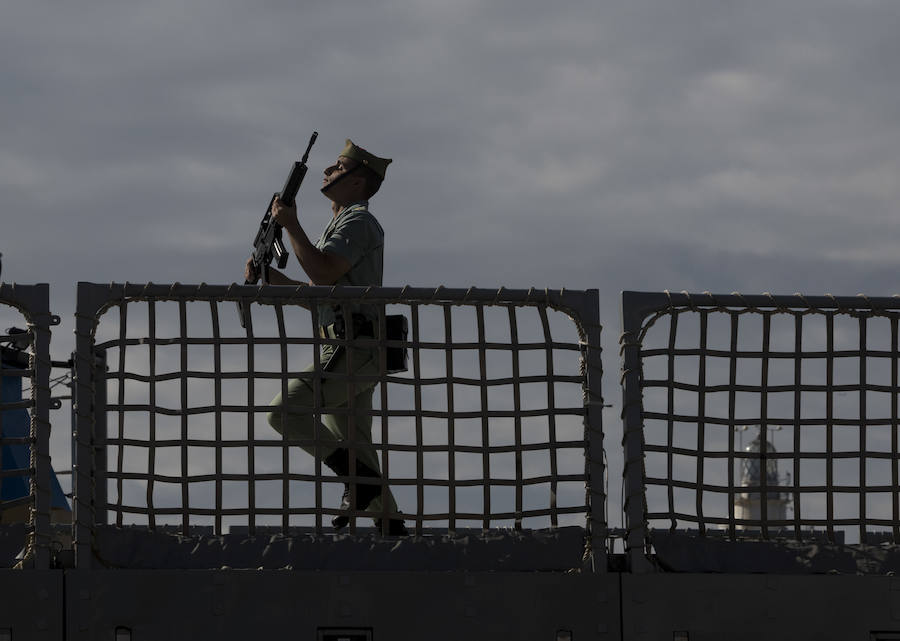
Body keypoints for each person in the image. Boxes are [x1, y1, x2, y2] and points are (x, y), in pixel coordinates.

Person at [244, 139, 408, 536]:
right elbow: (326, 298)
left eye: (338, 167)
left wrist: (291, 225)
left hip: (355, 348)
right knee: (357, 445)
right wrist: (274, 283)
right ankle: (392, 529)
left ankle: (358, 482)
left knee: (284, 412)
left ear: (358, 182)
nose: (328, 172)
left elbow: (323, 274)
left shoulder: (358, 222)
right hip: (350, 345)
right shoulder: (341, 224)